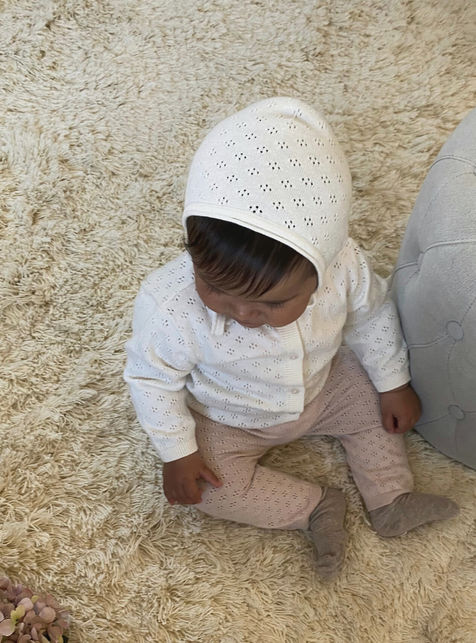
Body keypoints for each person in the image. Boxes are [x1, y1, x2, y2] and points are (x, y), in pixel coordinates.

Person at [124, 97, 459, 580]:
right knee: (211, 490)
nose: (242, 313)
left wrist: (393, 382)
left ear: (321, 269)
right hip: (228, 416)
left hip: (326, 387)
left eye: (272, 304)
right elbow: (150, 378)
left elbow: (371, 317)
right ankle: (315, 507)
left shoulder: (344, 266)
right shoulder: (170, 305)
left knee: (375, 405)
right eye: (214, 288)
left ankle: (390, 497)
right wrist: (178, 451)